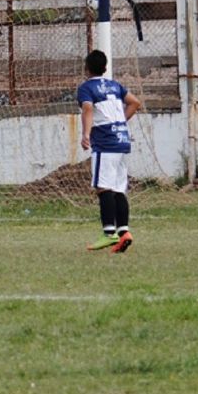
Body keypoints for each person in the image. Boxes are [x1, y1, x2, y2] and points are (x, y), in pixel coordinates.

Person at [77, 50, 142, 253]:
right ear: (105, 68)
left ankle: (108, 233)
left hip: (105, 143)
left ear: (86, 68)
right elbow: (135, 102)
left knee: (103, 188)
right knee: (118, 188)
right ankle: (124, 233)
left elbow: (88, 109)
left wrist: (86, 134)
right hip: (122, 141)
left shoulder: (86, 88)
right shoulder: (115, 85)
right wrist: (120, 122)